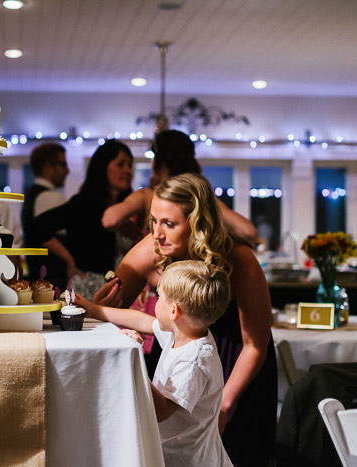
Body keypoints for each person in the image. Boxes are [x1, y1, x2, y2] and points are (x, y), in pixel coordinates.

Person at [97, 173, 277, 467]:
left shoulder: (240, 260)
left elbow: (255, 344)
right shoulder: (154, 246)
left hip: (236, 367)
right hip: (175, 357)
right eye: (153, 221)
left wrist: (224, 403)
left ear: (198, 223)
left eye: (169, 223)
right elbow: (116, 301)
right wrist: (97, 308)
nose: (156, 233)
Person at [76, 260, 232, 467]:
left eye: (159, 297)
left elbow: (162, 411)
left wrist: (134, 359)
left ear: (174, 311)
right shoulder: (184, 331)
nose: (155, 302)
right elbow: (143, 321)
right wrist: (96, 310)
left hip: (187, 459)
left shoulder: (194, 361)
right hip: (173, 451)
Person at [101, 130, 257, 247]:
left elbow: (110, 220)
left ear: (157, 164)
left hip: (155, 285)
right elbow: (248, 232)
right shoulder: (200, 198)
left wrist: (124, 225)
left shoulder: (148, 196)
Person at [29, 140, 133, 298]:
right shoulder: (85, 202)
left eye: (129, 165)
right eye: (120, 164)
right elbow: (38, 227)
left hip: (120, 286)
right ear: (103, 167)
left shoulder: (126, 206)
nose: (127, 170)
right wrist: (69, 260)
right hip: (90, 286)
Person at [21, 143, 70, 290]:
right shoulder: (50, 197)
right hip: (52, 281)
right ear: (48, 167)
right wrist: (71, 260)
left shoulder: (32, 195)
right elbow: (42, 235)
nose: (67, 170)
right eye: (63, 164)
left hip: (40, 280)